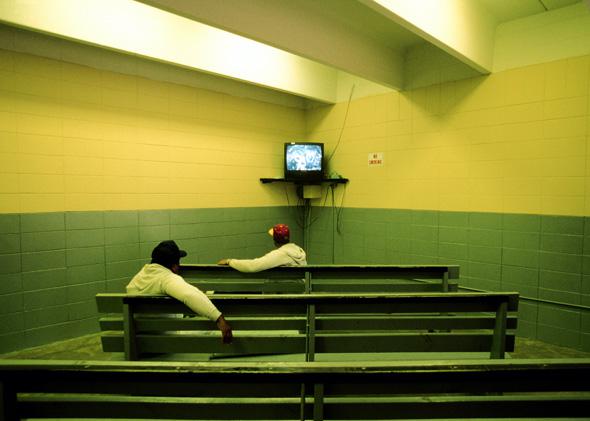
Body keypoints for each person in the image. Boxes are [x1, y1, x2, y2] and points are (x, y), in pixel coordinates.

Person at [126, 240, 232, 344]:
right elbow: (190, 294)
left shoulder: (140, 276)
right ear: (174, 265)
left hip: (138, 339)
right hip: (164, 340)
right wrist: (219, 318)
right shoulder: (166, 278)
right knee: (208, 330)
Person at [217, 223, 307, 272]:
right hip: (301, 291)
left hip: (288, 295)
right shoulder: (297, 250)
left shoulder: (280, 254)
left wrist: (230, 261)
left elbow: (252, 266)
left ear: (275, 240)